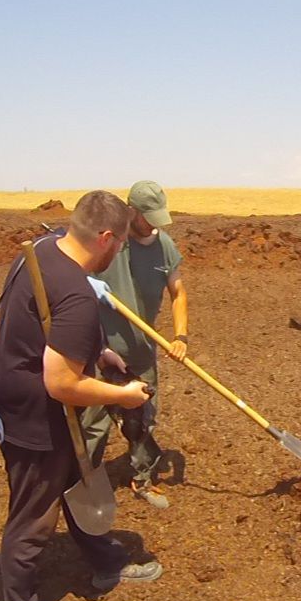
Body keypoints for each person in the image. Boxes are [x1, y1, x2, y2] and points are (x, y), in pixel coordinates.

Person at [0, 190, 161, 601]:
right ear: (105, 237)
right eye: (120, 242)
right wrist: (123, 396)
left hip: (21, 392)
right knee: (32, 514)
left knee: (77, 479)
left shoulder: (43, 249)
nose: (121, 248)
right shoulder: (78, 297)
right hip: (32, 413)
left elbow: (41, 322)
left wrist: (98, 350)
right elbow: (62, 382)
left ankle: (106, 561)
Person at [82, 180, 188, 510]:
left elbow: (178, 293)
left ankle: (142, 478)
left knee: (142, 419)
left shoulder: (165, 246)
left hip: (142, 351)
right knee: (93, 424)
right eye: (148, 217)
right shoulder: (110, 241)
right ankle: (82, 483)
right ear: (131, 212)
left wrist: (180, 336)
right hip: (100, 350)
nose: (154, 225)